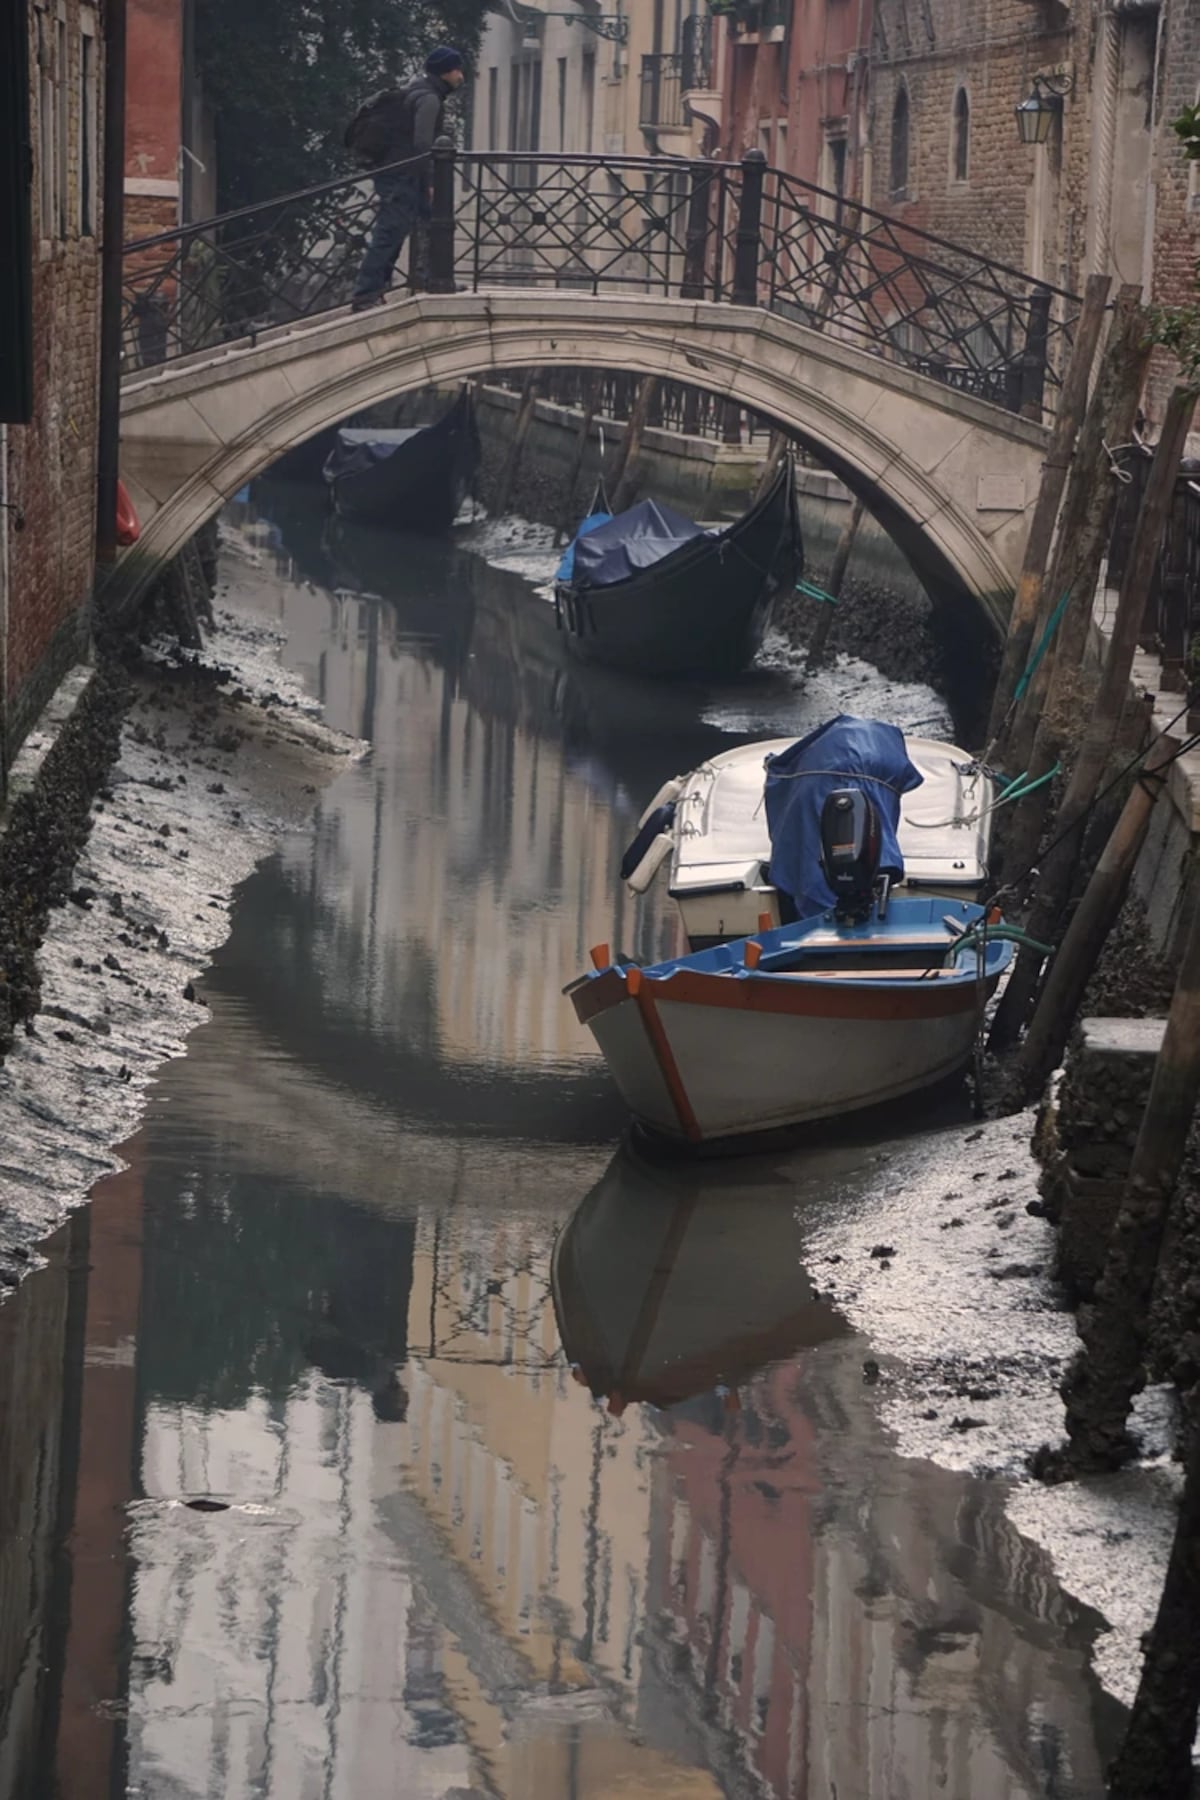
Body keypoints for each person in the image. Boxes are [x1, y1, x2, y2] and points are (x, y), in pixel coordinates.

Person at [349, 47, 466, 312]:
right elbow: (424, 144)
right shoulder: (429, 99)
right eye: (458, 69)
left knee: (429, 222)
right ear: (446, 72)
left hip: (398, 171)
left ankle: (429, 279)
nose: (461, 75)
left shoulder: (419, 90)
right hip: (402, 174)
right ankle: (366, 293)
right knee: (390, 230)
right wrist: (433, 183)